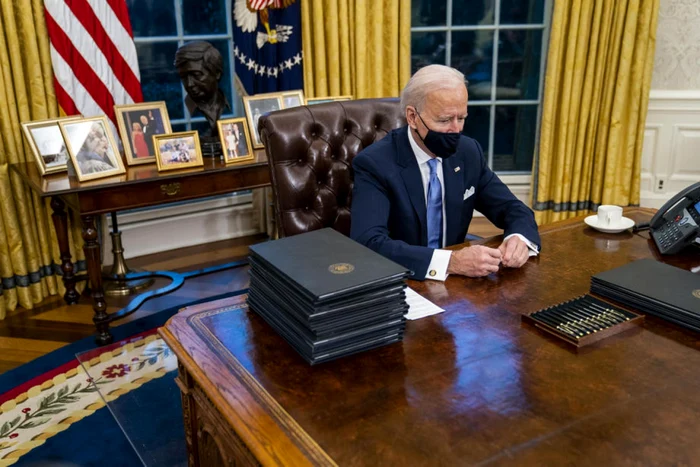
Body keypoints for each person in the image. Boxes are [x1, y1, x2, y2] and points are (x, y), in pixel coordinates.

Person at [350, 64, 540, 281]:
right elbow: (368, 243)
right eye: (444, 120)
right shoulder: (375, 164)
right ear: (412, 117)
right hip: (403, 280)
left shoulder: (468, 152)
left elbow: (512, 208)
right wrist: (451, 262)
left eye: (461, 118)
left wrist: (519, 238)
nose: (456, 130)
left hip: (459, 286)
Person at [174, 41, 230, 137]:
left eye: (197, 75)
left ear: (217, 73)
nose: (189, 84)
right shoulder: (178, 114)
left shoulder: (230, 107)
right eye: (184, 77)